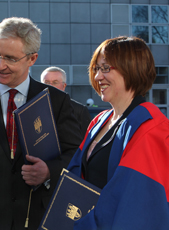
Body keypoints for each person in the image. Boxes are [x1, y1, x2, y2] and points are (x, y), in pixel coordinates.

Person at [0, 17, 82, 230]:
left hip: (37, 218)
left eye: (9, 58)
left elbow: (76, 154)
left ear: (32, 58)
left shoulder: (56, 101)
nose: (0, 65)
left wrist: (49, 171)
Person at [67, 36, 169, 229]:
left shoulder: (150, 127)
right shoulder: (99, 120)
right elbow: (75, 177)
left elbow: (131, 205)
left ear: (132, 68)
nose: (97, 77)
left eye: (106, 68)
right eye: (96, 68)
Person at [41, 66, 91, 139]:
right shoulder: (33, 109)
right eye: (46, 82)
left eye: (55, 82)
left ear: (64, 86)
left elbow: (86, 141)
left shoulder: (79, 110)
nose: (50, 86)